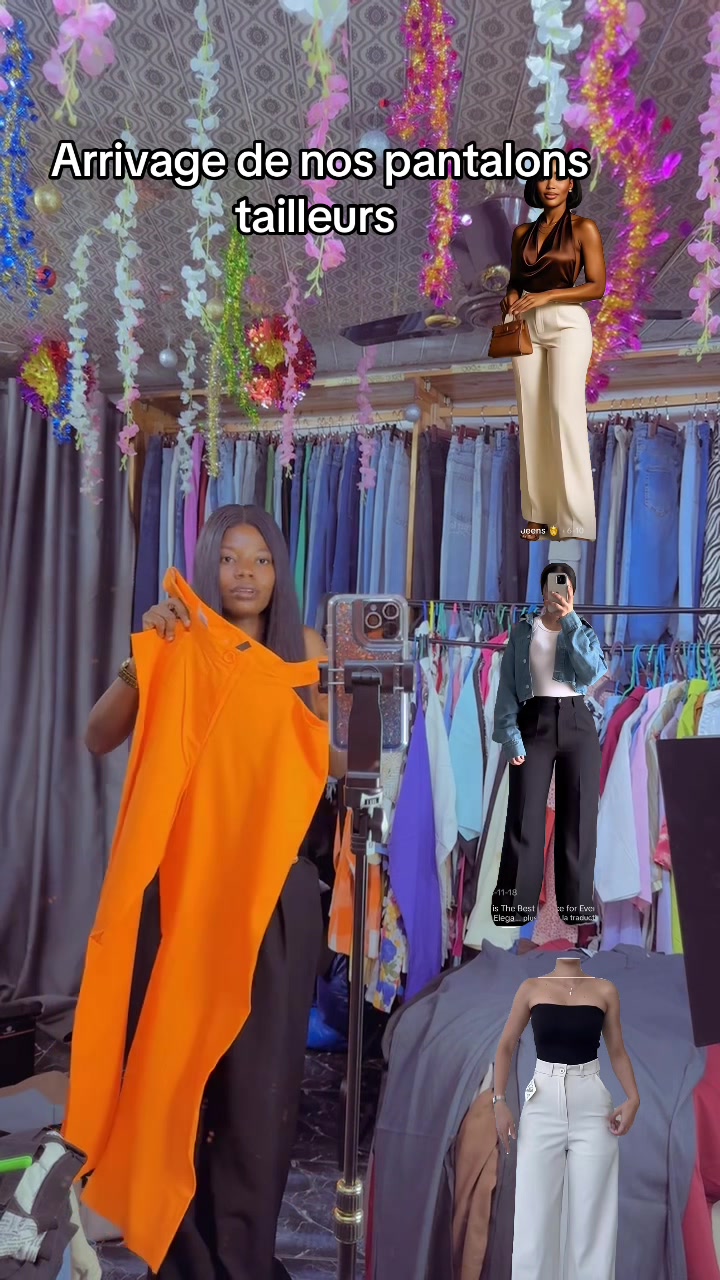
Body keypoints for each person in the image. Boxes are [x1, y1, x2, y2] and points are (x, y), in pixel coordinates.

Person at [82, 504, 342, 1280]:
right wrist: (143, 661)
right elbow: (98, 735)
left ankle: (244, 1262)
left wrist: (304, 706)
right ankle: (182, 1259)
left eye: (260, 559)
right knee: (174, 1081)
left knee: (259, 1096)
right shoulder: (177, 639)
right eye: (230, 558)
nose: (245, 574)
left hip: (274, 896)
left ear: (279, 571)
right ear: (207, 566)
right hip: (185, 892)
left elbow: (341, 764)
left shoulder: (307, 652)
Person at [492, 953, 640, 1280]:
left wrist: (634, 1097)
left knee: (593, 1220)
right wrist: (499, 1100)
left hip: (592, 1105)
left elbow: (617, 1051)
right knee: (534, 1220)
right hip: (542, 1102)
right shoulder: (531, 988)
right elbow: (506, 1045)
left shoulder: (605, 991)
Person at [491, 562, 607, 926]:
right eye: (552, 587)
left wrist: (570, 621)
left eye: (565, 587)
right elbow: (507, 688)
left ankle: (576, 907)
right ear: (542, 591)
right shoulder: (522, 631)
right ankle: (515, 907)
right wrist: (510, 738)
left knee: (580, 816)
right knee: (524, 814)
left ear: (573, 592)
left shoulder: (583, 630)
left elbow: (592, 673)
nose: (557, 593)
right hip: (534, 721)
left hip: (577, 720)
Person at [501, 158, 606, 543]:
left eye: (560, 177)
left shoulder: (584, 229)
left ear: (571, 185)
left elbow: (596, 286)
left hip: (566, 321)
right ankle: (538, 515)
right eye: (544, 177)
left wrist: (547, 295)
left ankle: (574, 519)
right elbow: (515, 280)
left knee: (564, 410)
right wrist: (511, 298)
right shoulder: (522, 233)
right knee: (531, 415)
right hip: (525, 323)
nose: (551, 184)